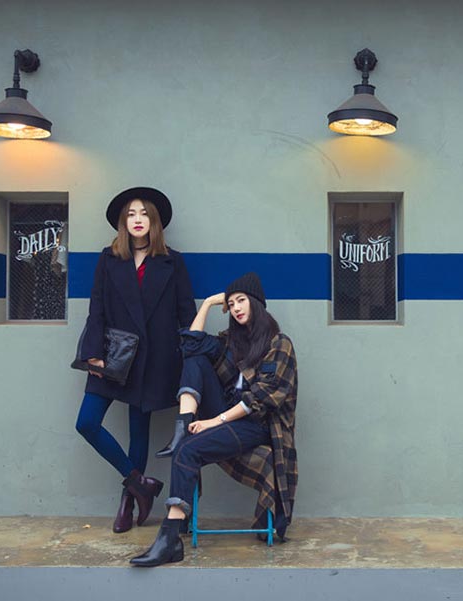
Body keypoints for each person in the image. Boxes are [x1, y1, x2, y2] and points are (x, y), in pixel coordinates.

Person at [130, 272, 298, 567]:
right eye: (231, 303)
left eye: (241, 300)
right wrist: (207, 304)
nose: (235, 308)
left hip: (255, 427)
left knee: (187, 450)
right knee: (195, 358)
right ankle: (183, 426)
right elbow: (190, 345)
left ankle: (170, 538)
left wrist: (214, 422)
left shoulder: (279, 344)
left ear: (257, 303)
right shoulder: (231, 343)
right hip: (227, 417)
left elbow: (259, 399)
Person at [75, 187, 196, 534]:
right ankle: (140, 483)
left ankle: (129, 502)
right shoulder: (109, 258)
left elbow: (185, 312)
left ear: (154, 222)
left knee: (138, 430)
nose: (138, 220)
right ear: (122, 222)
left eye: (144, 214)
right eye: (131, 214)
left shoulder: (173, 261)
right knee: (87, 423)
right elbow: (96, 307)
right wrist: (93, 352)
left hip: (154, 358)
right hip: (113, 355)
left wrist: (191, 358)